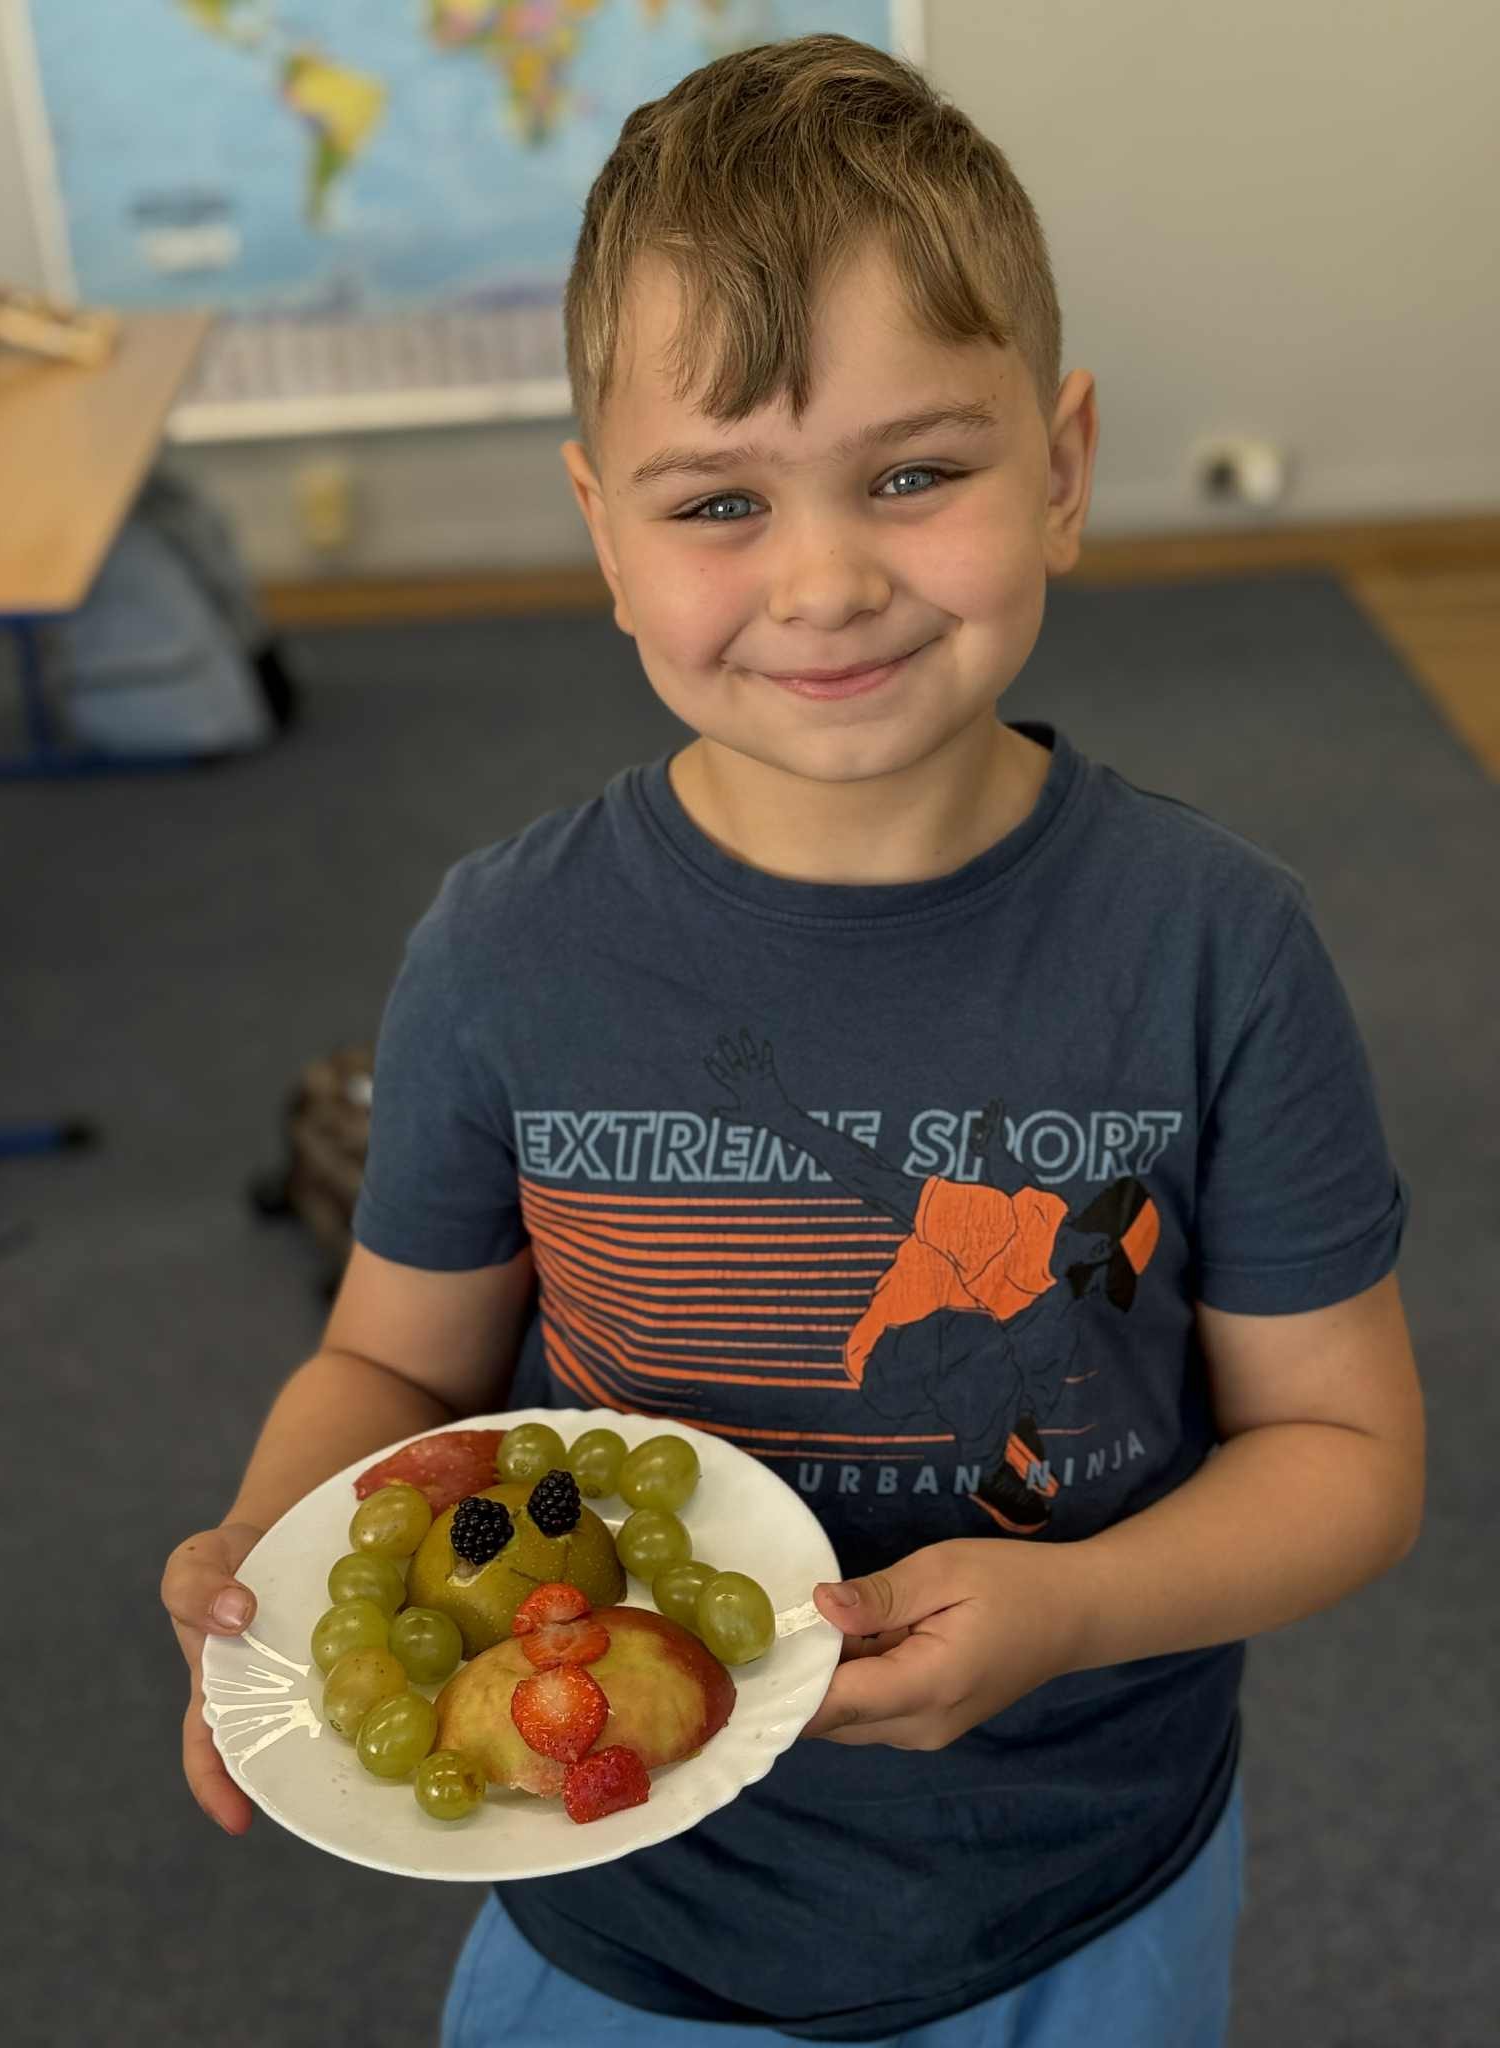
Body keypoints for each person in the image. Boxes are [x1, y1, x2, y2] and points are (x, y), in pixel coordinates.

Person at [161, 32, 1424, 2047]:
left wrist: (1081, 1605)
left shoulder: (1216, 947)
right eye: (720, 500)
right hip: (617, 1899)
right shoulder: (505, 948)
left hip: (1076, 1889)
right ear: (604, 534)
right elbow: (398, 1361)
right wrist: (272, 1549)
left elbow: (1346, 1454)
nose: (825, 579)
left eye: (914, 474)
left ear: (1065, 471)